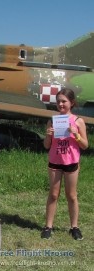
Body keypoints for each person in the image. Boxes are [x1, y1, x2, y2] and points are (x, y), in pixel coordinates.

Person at [41, 88, 88, 240]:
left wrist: (76, 135)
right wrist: (48, 135)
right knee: (53, 194)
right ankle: (48, 226)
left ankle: (74, 227)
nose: (60, 104)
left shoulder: (78, 121)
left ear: (72, 103)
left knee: (72, 195)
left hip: (71, 162)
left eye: (64, 101)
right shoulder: (52, 121)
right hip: (55, 161)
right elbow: (47, 145)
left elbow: (85, 145)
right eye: (58, 102)